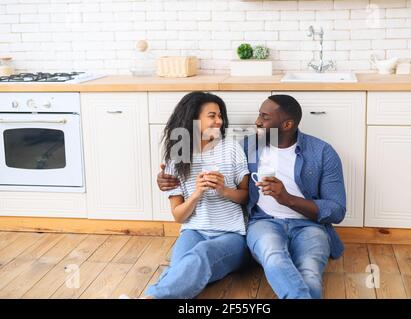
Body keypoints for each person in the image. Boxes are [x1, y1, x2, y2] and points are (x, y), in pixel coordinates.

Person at [158, 94, 346, 299]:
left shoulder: (322, 152)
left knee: (309, 274)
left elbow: (336, 210)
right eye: (259, 114)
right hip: (264, 223)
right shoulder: (248, 146)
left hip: (309, 226)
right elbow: (195, 161)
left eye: (264, 117)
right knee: (272, 257)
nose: (256, 121)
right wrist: (165, 179)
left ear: (287, 124)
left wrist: (287, 199)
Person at [143, 91, 250, 299]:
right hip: (194, 231)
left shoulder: (231, 148)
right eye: (212, 116)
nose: (219, 121)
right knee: (181, 269)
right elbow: (179, 216)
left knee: (199, 257)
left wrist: (223, 190)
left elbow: (246, 196)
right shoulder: (179, 156)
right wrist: (197, 193)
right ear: (194, 118)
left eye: (220, 115)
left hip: (232, 235)